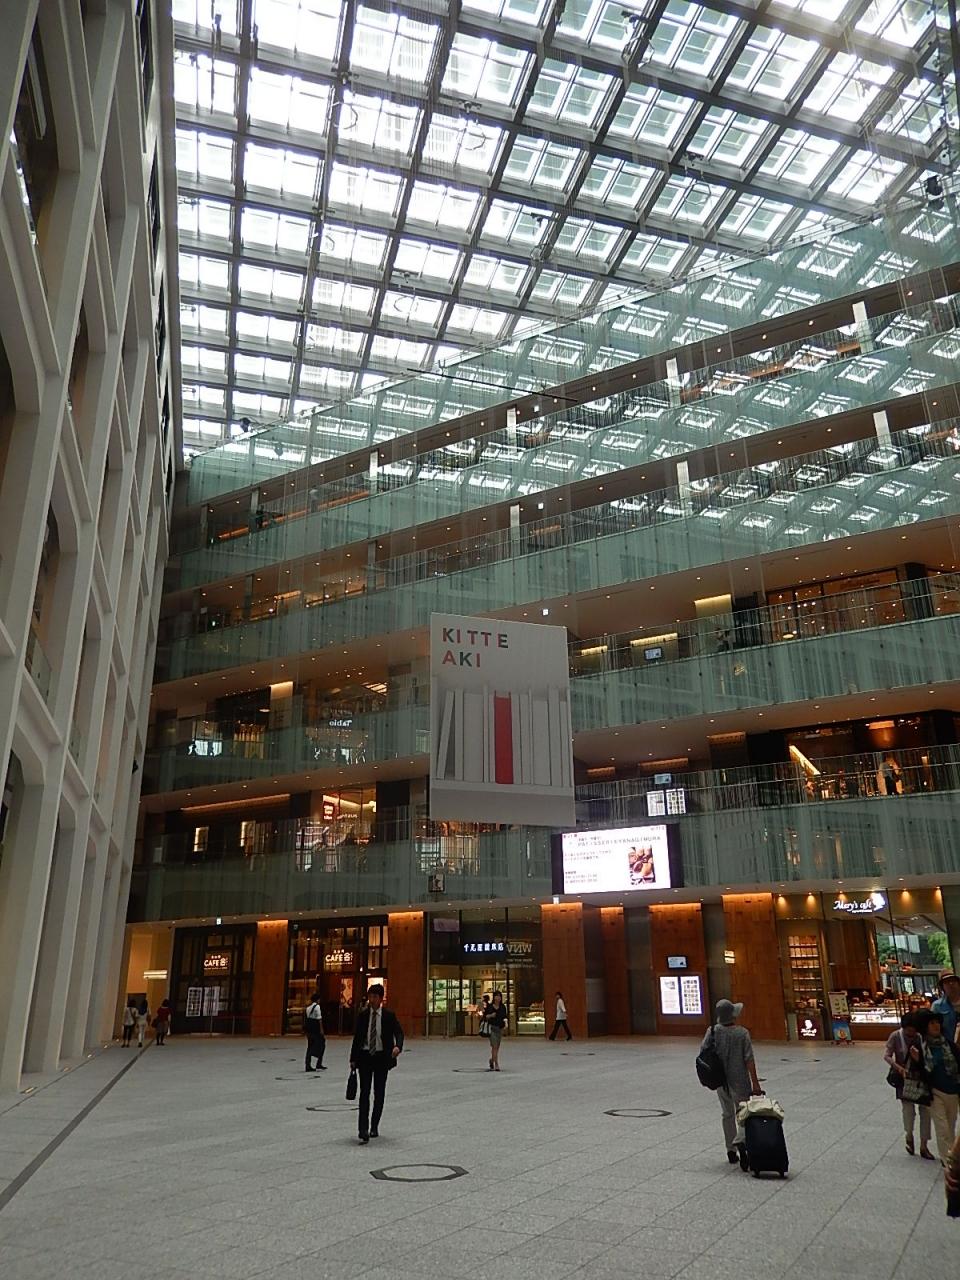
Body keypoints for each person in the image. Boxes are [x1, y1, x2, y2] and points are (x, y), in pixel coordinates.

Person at [701, 998, 762, 1168]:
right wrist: (755, 1083)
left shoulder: (713, 1031)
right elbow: (749, 1059)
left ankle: (730, 1150)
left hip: (720, 1080)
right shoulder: (742, 1033)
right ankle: (741, 1140)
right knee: (743, 1113)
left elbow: (703, 1050)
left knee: (727, 1114)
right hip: (740, 1079)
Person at [349, 984, 403, 1144]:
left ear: (381, 999)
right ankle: (362, 1129)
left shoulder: (388, 1016)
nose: (371, 1000)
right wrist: (353, 1059)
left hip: (381, 1058)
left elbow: (399, 1032)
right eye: (370, 996)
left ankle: (374, 1126)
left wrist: (398, 1046)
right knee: (364, 1093)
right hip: (365, 1056)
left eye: (374, 997)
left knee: (379, 1093)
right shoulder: (363, 1015)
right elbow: (357, 1038)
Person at [911, 1010, 960, 1165]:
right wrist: (918, 1061)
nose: (936, 1026)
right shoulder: (920, 1047)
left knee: (950, 1126)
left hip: (953, 1092)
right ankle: (948, 1162)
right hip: (934, 1092)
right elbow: (918, 1073)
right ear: (925, 1027)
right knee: (942, 1128)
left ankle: (952, 1156)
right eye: (931, 1023)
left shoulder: (948, 1044)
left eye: (937, 1022)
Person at [884, 1013, 933, 1158]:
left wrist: (919, 1058)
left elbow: (928, 1057)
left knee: (926, 1111)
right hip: (903, 1079)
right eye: (908, 1030)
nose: (911, 1033)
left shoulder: (921, 1037)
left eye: (913, 1030)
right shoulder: (895, 1036)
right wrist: (898, 1068)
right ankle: (909, 1136)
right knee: (908, 1110)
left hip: (921, 1078)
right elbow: (887, 1055)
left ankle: (924, 1145)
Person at [932, 969, 960, 1045]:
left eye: (953, 981)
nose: (951, 984)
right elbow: (933, 1030)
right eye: (947, 982)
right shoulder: (937, 1006)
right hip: (949, 1047)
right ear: (943, 987)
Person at [483, 989, 507, 1071]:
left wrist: (505, 1024)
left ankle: (492, 1060)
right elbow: (485, 1016)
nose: (498, 998)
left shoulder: (503, 1007)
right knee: (494, 1046)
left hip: (499, 1029)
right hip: (492, 1028)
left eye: (499, 996)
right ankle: (496, 1064)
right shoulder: (490, 1007)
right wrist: (491, 1015)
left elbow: (504, 1017)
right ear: (494, 997)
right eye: (497, 996)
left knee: (497, 1047)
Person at [304, 990, 326, 1072]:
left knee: (310, 1045)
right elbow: (319, 1019)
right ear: (317, 999)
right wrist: (321, 1030)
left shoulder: (308, 1008)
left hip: (309, 1029)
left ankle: (308, 1064)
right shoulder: (317, 1007)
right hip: (316, 1028)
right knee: (322, 1043)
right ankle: (319, 1062)